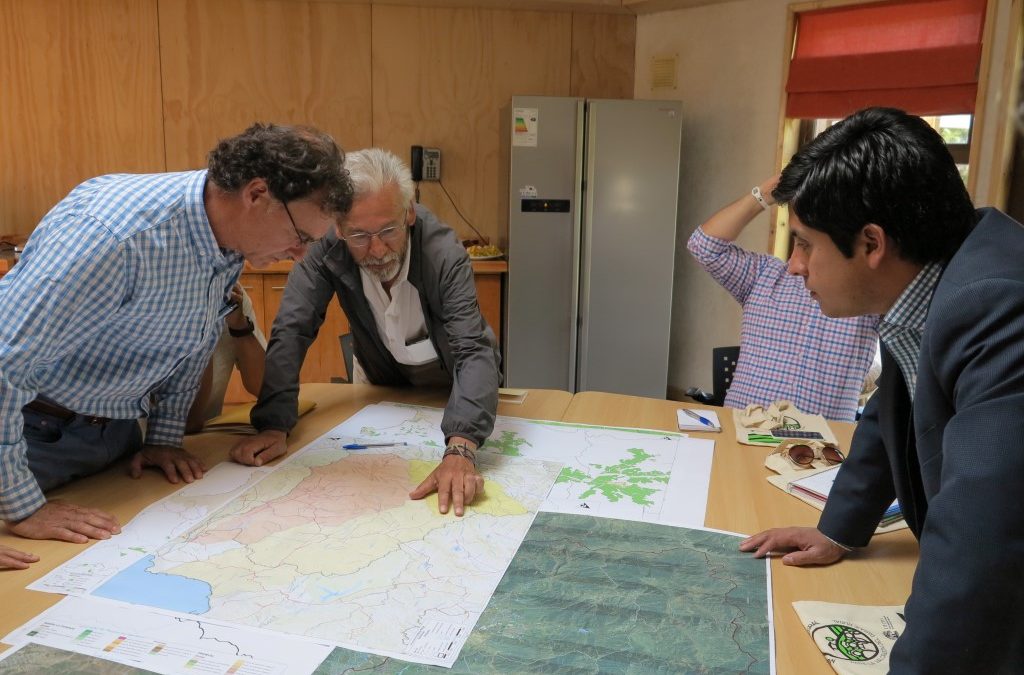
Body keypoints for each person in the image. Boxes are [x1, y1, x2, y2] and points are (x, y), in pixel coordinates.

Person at [739, 107, 1024, 672]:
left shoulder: (997, 305)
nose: (794, 268)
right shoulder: (938, 274)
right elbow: (889, 414)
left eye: (804, 245)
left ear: (872, 243)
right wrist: (840, 530)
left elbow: (980, 541)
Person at [0, 123, 352, 568]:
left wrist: (163, 440)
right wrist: (24, 507)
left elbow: (187, 339)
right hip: (28, 439)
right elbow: (3, 364)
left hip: (113, 436)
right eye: (301, 236)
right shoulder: (113, 236)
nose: (301, 255)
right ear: (257, 194)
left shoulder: (226, 241)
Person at [229, 148, 500, 517]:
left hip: (451, 386)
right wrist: (274, 424)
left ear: (409, 213)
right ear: (337, 227)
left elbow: (472, 349)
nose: (376, 249)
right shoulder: (324, 250)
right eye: (358, 235)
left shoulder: (441, 252)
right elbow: (292, 329)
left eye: (388, 230)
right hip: (381, 385)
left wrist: (461, 448)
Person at [687, 175, 877, 421]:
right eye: (797, 240)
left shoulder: (864, 297)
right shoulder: (764, 275)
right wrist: (767, 193)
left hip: (820, 449)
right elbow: (703, 245)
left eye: (807, 243)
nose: (795, 261)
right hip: (741, 433)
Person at [185, 283, 267, 433]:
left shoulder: (230, 292)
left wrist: (239, 325)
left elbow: (266, 388)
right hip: (143, 444)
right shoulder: (154, 299)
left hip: (203, 437)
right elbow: (188, 421)